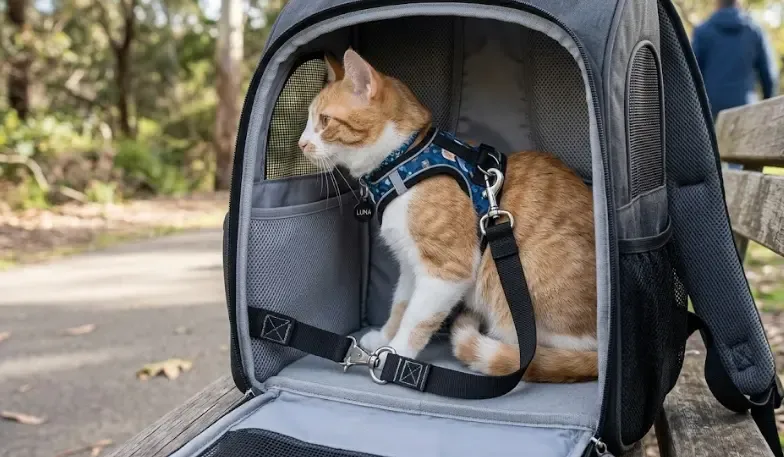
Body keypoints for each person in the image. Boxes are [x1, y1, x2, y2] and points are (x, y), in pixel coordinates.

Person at [691, 0, 779, 120]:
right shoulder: (754, 31)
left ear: (717, 2)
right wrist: (768, 109)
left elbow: (692, 75)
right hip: (746, 108)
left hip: (711, 110)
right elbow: (768, 76)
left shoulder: (703, 32)